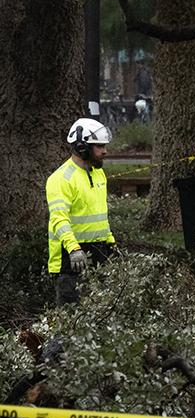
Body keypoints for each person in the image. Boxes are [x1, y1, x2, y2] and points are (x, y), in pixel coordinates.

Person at [47, 117, 117, 302]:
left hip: (99, 251)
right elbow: (59, 219)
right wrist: (73, 249)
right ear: (82, 147)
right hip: (71, 256)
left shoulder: (98, 173)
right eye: (99, 146)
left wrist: (111, 242)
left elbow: (100, 213)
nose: (105, 151)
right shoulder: (61, 178)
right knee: (72, 314)